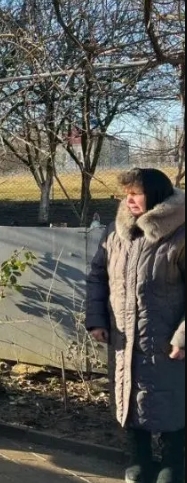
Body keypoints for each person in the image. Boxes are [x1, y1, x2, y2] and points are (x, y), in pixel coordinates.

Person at [86, 168, 185, 483]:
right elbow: (97, 277)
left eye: (135, 193)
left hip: (167, 338)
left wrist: (183, 336)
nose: (128, 200)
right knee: (128, 396)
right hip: (123, 337)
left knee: (173, 398)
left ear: (154, 195)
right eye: (125, 193)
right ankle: (139, 460)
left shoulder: (181, 233)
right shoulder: (116, 232)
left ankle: (173, 462)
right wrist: (97, 320)